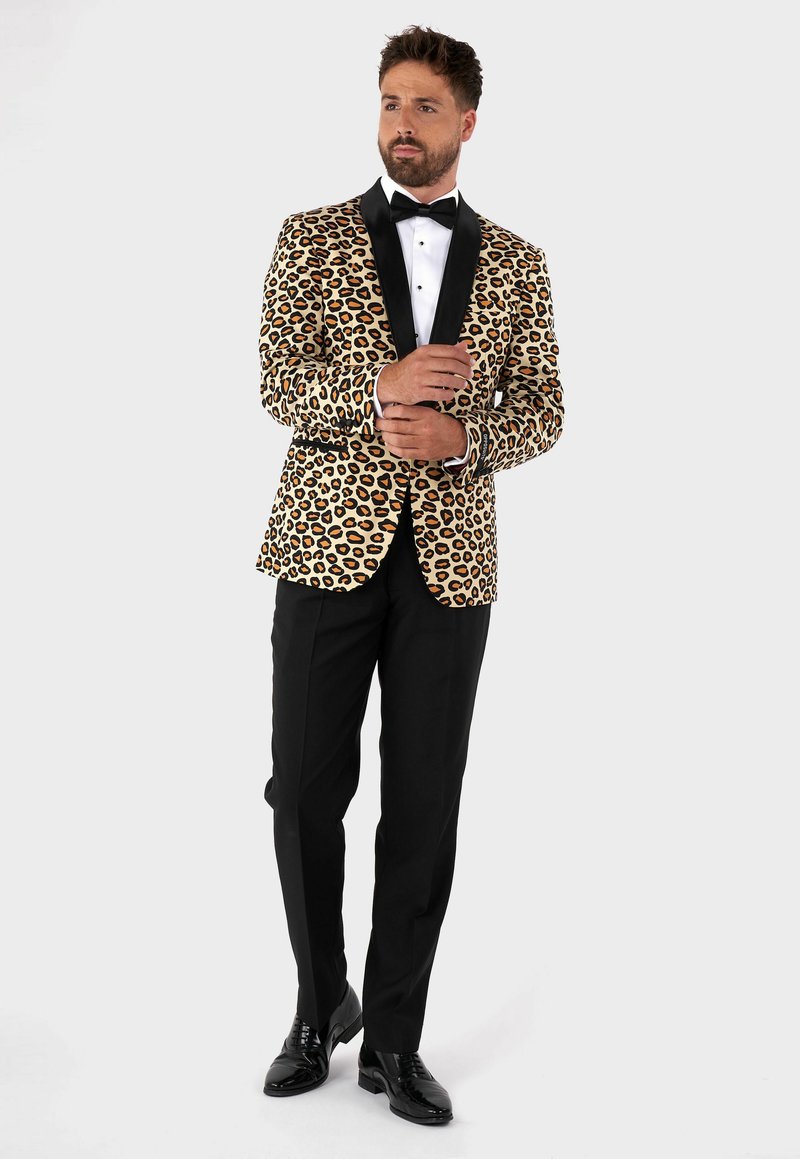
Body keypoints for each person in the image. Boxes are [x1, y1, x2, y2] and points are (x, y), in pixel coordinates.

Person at [255, 25, 564, 1126]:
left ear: (466, 122)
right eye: (390, 101)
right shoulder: (309, 237)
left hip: (450, 566)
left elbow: (544, 408)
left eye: (426, 106)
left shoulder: (518, 261)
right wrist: (378, 392)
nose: (402, 122)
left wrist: (463, 441)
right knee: (303, 788)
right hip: (322, 547)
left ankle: (394, 1035)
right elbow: (278, 380)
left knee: (424, 802)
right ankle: (318, 1005)